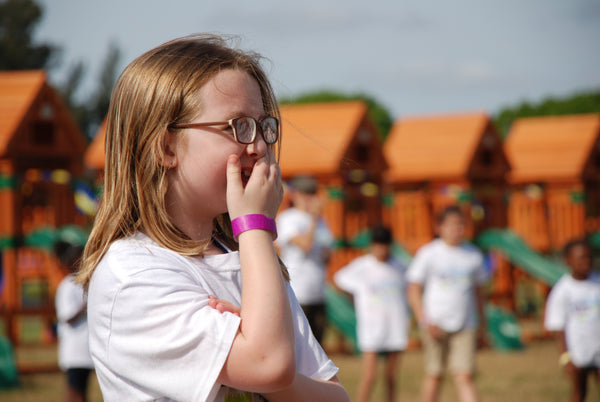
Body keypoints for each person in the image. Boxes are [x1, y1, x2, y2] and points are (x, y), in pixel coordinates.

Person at [76, 34, 349, 402]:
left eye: (263, 126)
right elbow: (269, 364)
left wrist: (258, 348)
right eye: (237, 126)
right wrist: (254, 226)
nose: (259, 146)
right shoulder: (134, 275)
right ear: (166, 147)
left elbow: (334, 397)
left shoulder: (250, 259)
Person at [407, 205, 487, 402]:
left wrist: (482, 324)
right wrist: (424, 320)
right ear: (439, 227)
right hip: (435, 323)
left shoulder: (473, 255)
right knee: (434, 374)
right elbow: (413, 289)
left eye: (460, 225)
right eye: (451, 225)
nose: (456, 229)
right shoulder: (429, 253)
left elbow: (479, 293)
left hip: (465, 324)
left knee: (465, 375)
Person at [334, 225, 410, 402]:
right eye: (378, 245)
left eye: (384, 245)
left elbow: (410, 287)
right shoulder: (362, 266)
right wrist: (356, 300)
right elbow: (339, 281)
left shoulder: (400, 266)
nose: (381, 250)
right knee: (370, 375)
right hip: (371, 326)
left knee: (391, 377)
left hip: (395, 324)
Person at [276, 175, 334, 344]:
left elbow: (327, 254)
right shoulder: (288, 218)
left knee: (319, 344)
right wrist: (314, 220)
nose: (310, 198)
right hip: (297, 291)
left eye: (312, 194)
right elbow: (305, 245)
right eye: (305, 194)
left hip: (318, 290)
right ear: (295, 195)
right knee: (300, 344)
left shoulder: (322, 221)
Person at [544, 238, 600, 402]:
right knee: (579, 392)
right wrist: (565, 357)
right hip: (578, 352)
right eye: (581, 258)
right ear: (568, 260)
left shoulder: (597, 283)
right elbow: (558, 327)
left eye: (589, 257)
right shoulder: (563, 290)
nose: (586, 262)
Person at [54, 240, 94, 402]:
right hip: (74, 350)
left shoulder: (85, 284)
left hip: (86, 349)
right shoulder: (67, 285)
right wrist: (86, 305)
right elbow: (67, 316)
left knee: (83, 392)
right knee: (74, 392)